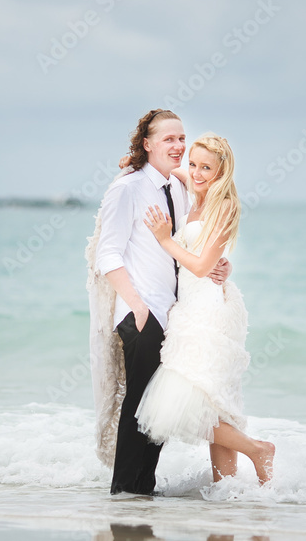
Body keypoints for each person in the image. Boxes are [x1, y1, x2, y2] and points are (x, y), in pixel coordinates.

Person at [87, 110, 231, 496]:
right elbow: (108, 255)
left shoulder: (178, 188)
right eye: (169, 139)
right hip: (141, 313)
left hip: (171, 317)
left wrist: (219, 266)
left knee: (155, 411)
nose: (178, 145)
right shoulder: (128, 188)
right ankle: (122, 493)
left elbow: (192, 245)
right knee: (137, 407)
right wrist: (136, 307)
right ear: (147, 144)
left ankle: (141, 492)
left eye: (181, 138)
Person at [136, 132, 275, 484]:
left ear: (222, 170)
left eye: (206, 168)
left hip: (209, 310)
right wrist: (135, 160)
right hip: (191, 306)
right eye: (193, 164)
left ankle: (258, 449)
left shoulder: (223, 204)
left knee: (186, 405)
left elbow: (200, 266)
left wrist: (165, 240)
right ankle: (225, 493)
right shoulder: (196, 192)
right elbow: (173, 171)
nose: (196, 173)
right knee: (213, 402)